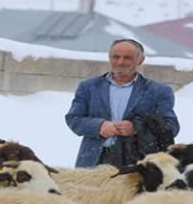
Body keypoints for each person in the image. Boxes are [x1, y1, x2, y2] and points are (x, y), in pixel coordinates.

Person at [66, 38, 180, 168]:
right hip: (93, 161)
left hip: (137, 164)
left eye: (127, 58)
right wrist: (98, 126)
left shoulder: (158, 91)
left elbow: (171, 127)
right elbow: (73, 119)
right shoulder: (88, 87)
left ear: (140, 60)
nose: (120, 62)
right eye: (116, 57)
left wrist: (136, 127)